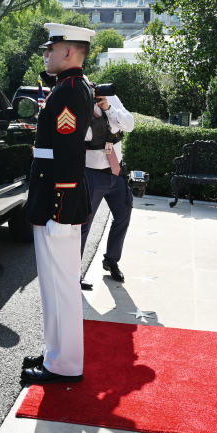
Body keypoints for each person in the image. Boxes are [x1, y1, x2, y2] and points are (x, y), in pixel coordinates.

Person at [20, 23, 95, 385]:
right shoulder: (68, 88)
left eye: (51, 49)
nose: (46, 54)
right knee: (52, 284)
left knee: (62, 286)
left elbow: (67, 156)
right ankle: (55, 354)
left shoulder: (69, 91)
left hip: (57, 203)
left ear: (68, 52)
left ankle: (65, 364)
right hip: (51, 198)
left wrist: (59, 212)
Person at [79, 90, 135, 288]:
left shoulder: (110, 98)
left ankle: (111, 261)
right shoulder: (79, 102)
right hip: (92, 174)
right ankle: (74, 273)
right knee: (84, 224)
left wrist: (108, 109)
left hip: (116, 173)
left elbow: (129, 124)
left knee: (123, 215)